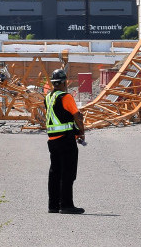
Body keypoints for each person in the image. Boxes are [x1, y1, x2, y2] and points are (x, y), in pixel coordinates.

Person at [45, 68, 86, 214]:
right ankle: (66, 205)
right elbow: (77, 116)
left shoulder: (49, 97)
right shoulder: (65, 97)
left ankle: (53, 205)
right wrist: (81, 132)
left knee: (55, 172)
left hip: (52, 140)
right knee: (68, 172)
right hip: (66, 139)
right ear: (64, 82)